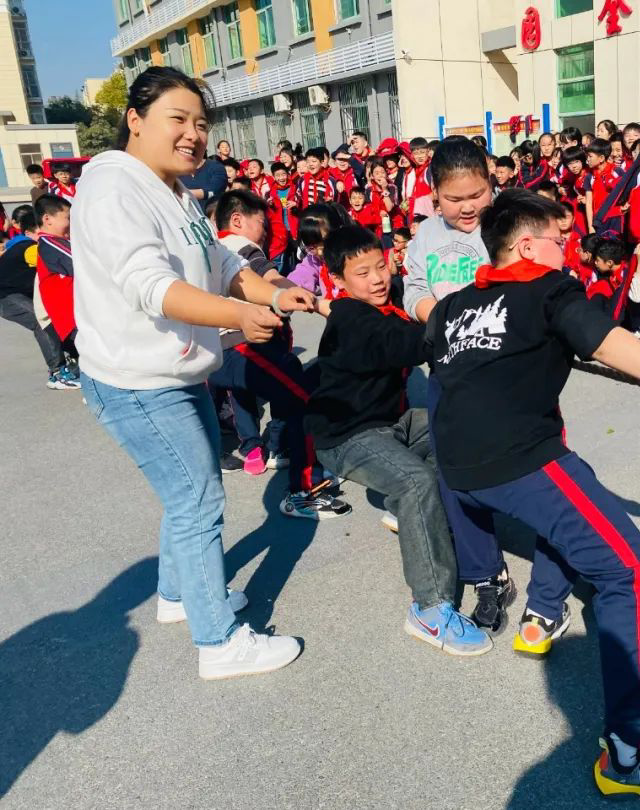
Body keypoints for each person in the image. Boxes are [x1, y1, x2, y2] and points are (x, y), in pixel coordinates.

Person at [428, 188, 640, 798]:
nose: (567, 251)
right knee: (626, 568)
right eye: (559, 240)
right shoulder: (548, 288)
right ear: (527, 246)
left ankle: (544, 606)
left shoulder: (452, 305)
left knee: (577, 496)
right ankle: (632, 756)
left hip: (458, 470)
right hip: (519, 460)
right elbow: (604, 338)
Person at [72, 67, 312, 679]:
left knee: (187, 494)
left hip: (174, 375)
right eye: (178, 119)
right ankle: (219, 642)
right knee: (198, 501)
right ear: (135, 119)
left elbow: (222, 262)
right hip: (138, 382)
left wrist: (274, 294)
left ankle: (179, 595)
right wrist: (240, 315)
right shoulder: (113, 187)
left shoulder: (174, 190)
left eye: (201, 123)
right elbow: (152, 287)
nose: (193, 134)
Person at [304, 224, 491, 654]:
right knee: (415, 483)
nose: (377, 279)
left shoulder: (387, 299)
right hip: (347, 435)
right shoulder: (352, 318)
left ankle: (417, 518)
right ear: (337, 280)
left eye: (380, 266)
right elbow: (409, 343)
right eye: (362, 273)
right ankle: (430, 609)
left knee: (456, 423)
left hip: (393, 421)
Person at [402, 137, 518, 632]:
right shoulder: (426, 234)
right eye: (454, 199)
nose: (468, 207)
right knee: (454, 470)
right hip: (447, 368)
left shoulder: (510, 223)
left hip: (503, 368)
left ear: (491, 181)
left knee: (520, 464)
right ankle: (486, 572)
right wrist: (437, 317)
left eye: (477, 194)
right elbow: (413, 288)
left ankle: (561, 554)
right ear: (434, 194)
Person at [210, 189, 352, 518]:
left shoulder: (213, 246)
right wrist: (317, 303)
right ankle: (304, 492)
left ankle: (284, 451)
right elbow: (271, 276)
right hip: (240, 346)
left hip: (228, 347)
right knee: (303, 397)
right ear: (237, 220)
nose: (267, 231)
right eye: (262, 223)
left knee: (292, 389)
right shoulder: (239, 246)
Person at [0, 206, 71, 388]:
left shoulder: (19, 244)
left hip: (16, 292)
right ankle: (57, 372)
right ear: (30, 232)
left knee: (52, 321)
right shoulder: (31, 249)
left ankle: (68, 361)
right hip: (6, 296)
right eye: (39, 232)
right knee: (41, 322)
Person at [33, 194, 78, 365]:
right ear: (47, 219)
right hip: (73, 321)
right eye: (68, 218)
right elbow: (84, 265)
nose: (72, 223)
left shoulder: (56, 241)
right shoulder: (50, 242)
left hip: (75, 320)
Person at [584, 138, 620, 235]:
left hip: (614, 218)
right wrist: (590, 226)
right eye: (587, 156)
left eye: (590, 156)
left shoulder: (616, 172)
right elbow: (588, 203)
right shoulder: (589, 177)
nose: (588, 159)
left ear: (601, 158)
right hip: (598, 221)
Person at [179, 149, 228, 213]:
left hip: (212, 215)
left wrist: (182, 193)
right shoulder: (177, 171)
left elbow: (214, 191)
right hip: (186, 215)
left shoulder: (216, 167)